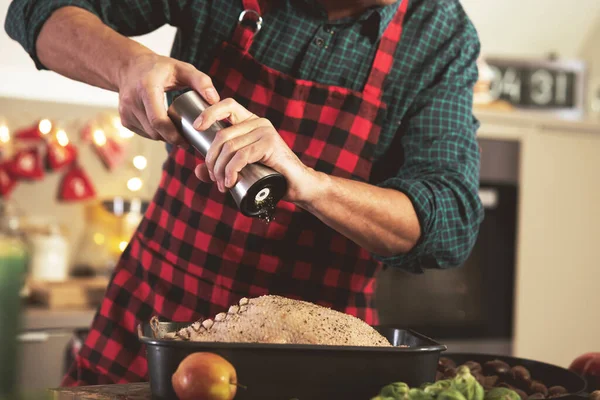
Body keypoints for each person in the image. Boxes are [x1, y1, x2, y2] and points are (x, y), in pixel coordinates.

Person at [5, 0, 484, 386]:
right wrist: (130, 64)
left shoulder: (438, 35)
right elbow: (34, 11)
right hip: (154, 329)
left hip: (317, 363)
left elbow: (450, 221)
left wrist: (311, 185)